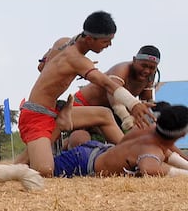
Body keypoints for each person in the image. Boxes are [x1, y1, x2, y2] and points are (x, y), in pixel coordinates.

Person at [16, 11, 155, 177]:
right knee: (45, 171)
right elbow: (107, 84)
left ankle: (130, 155)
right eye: (105, 41)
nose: (109, 45)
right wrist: (134, 104)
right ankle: (53, 132)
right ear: (89, 39)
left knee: (104, 114)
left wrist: (65, 69)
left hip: (56, 110)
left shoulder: (63, 43)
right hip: (36, 115)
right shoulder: (78, 60)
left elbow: (42, 67)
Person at [48, 103, 188, 177]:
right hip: (82, 163)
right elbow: (148, 168)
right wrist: (183, 174)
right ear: (182, 134)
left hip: (93, 152)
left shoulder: (146, 128)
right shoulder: (151, 151)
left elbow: (166, 152)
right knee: (42, 170)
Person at [72, 45, 161, 131]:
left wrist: (153, 118)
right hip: (82, 105)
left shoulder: (150, 77)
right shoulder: (122, 69)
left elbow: (146, 102)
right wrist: (125, 117)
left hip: (107, 114)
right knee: (81, 136)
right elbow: (112, 93)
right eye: (143, 65)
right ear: (134, 60)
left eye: (152, 68)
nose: (146, 71)